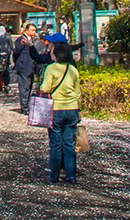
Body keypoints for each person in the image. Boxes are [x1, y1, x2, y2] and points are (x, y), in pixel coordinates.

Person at [40, 41, 82, 184]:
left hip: (56, 109)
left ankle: (54, 176)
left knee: (56, 144)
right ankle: (71, 176)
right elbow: (77, 92)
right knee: (69, 144)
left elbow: (45, 88)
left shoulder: (51, 69)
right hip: (72, 109)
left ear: (56, 54)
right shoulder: (73, 70)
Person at [14, 23, 38, 112]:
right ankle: (24, 107)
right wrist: (22, 44)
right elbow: (16, 51)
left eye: (35, 30)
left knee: (30, 87)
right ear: (26, 31)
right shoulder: (20, 40)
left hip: (32, 66)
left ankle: (27, 104)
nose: (34, 32)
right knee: (24, 88)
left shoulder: (34, 40)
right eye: (32, 30)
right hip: (24, 66)